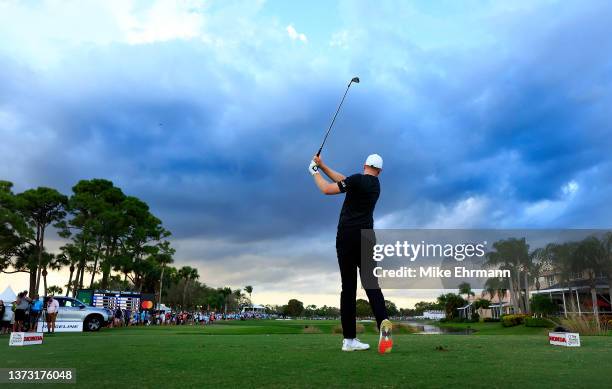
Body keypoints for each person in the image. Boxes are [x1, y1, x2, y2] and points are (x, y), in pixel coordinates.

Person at [309, 153, 393, 354]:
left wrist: (313, 172)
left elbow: (327, 189)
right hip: (366, 238)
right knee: (371, 284)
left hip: (346, 236)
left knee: (348, 288)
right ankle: (383, 324)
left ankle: (349, 340)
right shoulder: (374, 186)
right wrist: (323, 166)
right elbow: (343, 180)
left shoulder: (356, 180)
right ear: (379, 171)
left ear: (364, 164)